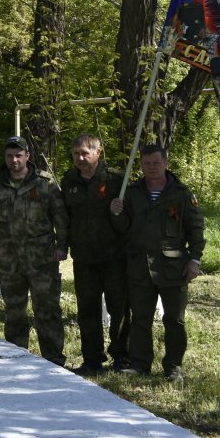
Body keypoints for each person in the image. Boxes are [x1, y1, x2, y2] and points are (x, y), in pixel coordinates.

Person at [110, 144, 205, 381]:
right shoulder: (131, 193)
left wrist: (194, 260)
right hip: (140, 267)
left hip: (173, 268)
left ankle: (173, 367)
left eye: (156, 163)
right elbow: (122, 229)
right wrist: (116, 212)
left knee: (174, 319)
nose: (151, 168)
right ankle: (140, 363)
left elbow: (196, 230)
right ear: (140, 165)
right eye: (147, 164)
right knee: (140, 318)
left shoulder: (181, 194)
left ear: (165, 163)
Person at [0, 136, 68, 366]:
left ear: (28, 156)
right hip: (9, 258)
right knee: (15, 311)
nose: (14, 160)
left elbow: (61, 217)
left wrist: (62, 246)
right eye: (10, 156)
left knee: (47, 309)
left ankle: (54, 359)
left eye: (19, 155)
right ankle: (17, 357)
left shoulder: (45, 183)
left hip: (42, 258)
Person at [60, 133, 130, 375]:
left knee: (119, 309)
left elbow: (129, 220)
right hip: (83, 258)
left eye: (85, 153)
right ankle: (92, 358)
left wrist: (118, 212)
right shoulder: (68, 180)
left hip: (114, 257)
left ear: (98, 153)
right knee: (87, 310)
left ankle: (121, 356)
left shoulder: (116, 181)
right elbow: (64, 218)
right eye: (76, 153)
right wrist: (63, 244)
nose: (79, 158)